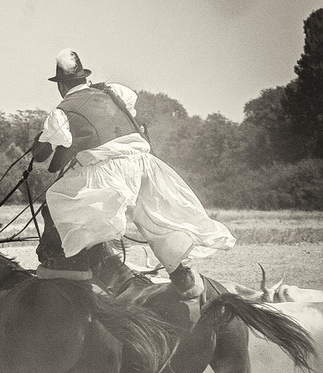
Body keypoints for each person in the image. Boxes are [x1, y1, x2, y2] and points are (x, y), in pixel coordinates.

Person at [29, 48, 236, 299]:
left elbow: (43, 155)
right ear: (85, 79)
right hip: (144, 163)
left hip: (109, 170)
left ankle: (76, 267)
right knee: (156, 217)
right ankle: (180, 274)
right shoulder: (113, 92)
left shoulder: (61, 111)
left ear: (61, 86)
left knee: (57, 200)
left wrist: (40, 143)